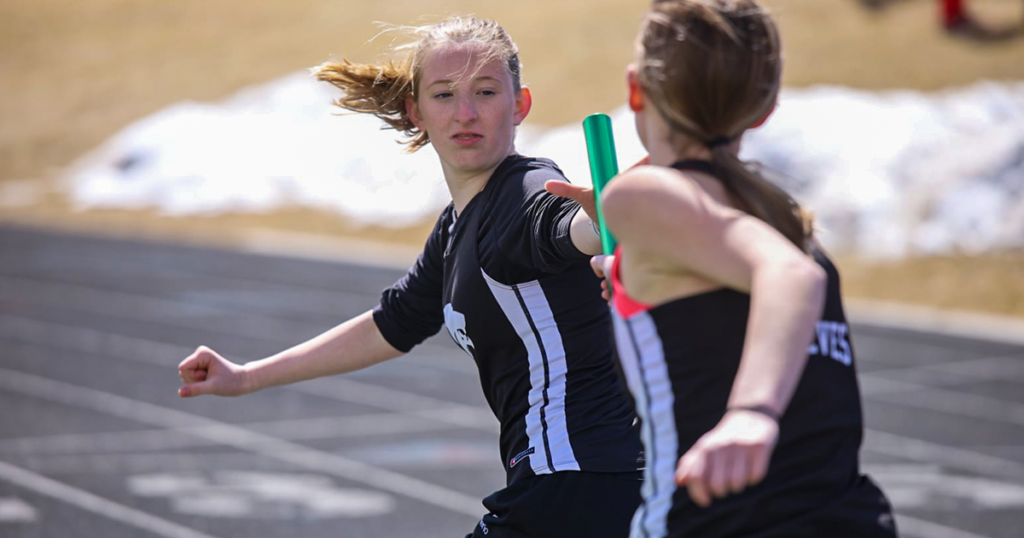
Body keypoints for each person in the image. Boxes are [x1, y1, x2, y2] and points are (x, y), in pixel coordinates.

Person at [176, 16, 642, 538]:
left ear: (520, 105)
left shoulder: (522, 196)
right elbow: (393, 323)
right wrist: (247, 376)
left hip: (576, 485)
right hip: (582, 484)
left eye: (485, 92)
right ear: (415, 111)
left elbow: (563, 225)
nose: (466, 112)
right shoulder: (456, 227)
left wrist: (607, 219)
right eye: (444, 95)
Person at [548, 1, 898, 536]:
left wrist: (751, 413)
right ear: (765, 108)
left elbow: (789, 276)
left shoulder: (640, 196)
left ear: (635, 89)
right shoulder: (783, 217)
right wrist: (634, 277)